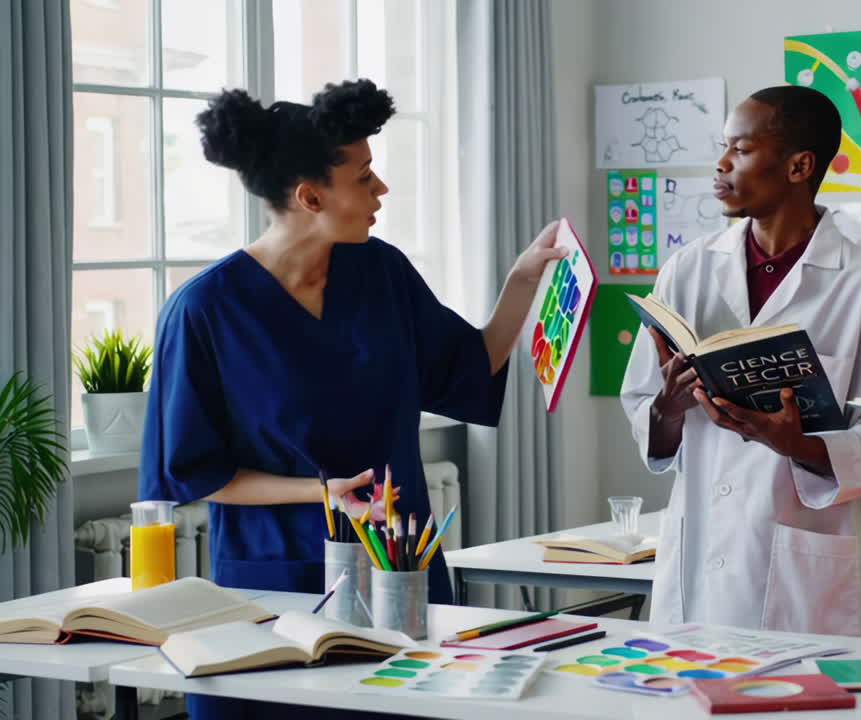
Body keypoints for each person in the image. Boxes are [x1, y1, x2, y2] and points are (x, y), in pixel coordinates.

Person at [138, 79, 564, 719]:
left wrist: (523, 278)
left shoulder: (382, 271)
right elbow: (196, 474)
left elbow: (467, 365)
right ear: (312, 196)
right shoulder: (204, 312)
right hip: (271, 592)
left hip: (398, 572)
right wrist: (322, 492)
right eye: (364, 177)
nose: (381, 190)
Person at [620, 86, 861, 637]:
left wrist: (794, 443)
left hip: (796, 567)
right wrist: (666, 407)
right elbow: (643, 405)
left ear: (799, 165)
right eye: (722, 147)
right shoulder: (687, 270)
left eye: (741, 149)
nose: (721, 164)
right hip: (697, 559)